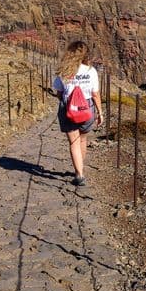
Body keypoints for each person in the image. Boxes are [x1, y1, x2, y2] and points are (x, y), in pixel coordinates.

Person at [52, 40, 103, 186]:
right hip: (87, 108)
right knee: (82, 140)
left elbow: (59, 93)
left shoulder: (64, 71)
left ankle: (79, 175)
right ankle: (80, 168)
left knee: (73, 142)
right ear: (85, 55)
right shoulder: (90, 71)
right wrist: (100, 113)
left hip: (69, 108)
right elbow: (95, 94)